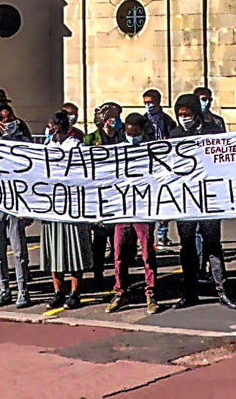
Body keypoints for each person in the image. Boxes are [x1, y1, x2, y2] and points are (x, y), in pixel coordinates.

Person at [170, 93, 236, 308]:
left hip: (209, 199)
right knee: (187, 246)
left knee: (212, 245)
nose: (184, 118)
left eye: (188, 114)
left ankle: (222, 290)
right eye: (180, 114)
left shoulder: (213, 132)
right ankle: (190, 292)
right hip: (185, 201)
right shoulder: (174, 135)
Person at [0, 100, 33, 308]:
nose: (12, 121)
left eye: (12, 117)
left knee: (19, 249)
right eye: (7, 119)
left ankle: (23, 289)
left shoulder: (21, 136)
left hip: (15, 199)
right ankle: (4, 289)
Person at [107, 114, 161, 314]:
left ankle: (150, 293)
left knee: (147, 252)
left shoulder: (151, 150)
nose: (132, 137)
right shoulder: (118, 151)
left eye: (135, 133)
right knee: (119, 253)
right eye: (129, 133)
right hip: (122, 210)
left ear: (142, 130)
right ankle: (120, 291)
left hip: (143, 210)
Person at [40, 111, 94, 309]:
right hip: (52, 207)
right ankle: (58, 292)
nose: (47, 130)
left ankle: (75, 292)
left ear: (56, 127)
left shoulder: (76, 147)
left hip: (72, 207)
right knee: (55, 251)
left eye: (49, 126)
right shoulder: (47, 148)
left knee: (74, 251)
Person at [84, 106, 126, 290]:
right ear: (104, 119)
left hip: (117, 193)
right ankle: (98, 273)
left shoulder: (122, 137)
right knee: (99, 238)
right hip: (98, 193)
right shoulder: (91, 139)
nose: (116, 121)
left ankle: (120, 277)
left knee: (118, 239)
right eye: (113, 117)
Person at [141, 88, 177, 248]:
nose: (148, 106)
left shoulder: (167, 121)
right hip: (149, 164)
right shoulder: (142, 121)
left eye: (151, 103)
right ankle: (148, 237)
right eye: (146, 103)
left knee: (164, 199)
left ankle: (162, 234)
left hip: (165, 164)